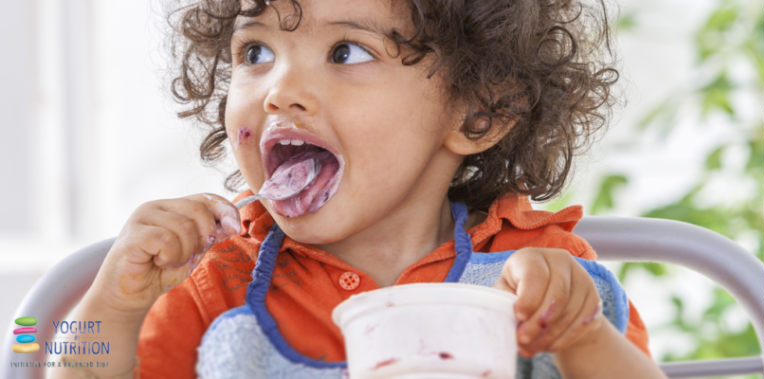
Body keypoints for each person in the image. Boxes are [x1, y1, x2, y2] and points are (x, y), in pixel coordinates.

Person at [52, 0, 668, 378]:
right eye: (256, 50)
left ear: (477, 111)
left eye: (345, 51)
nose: (279, 90)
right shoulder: (215, 284)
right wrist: (115, 305)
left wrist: (579, 334)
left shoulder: (540, 269)